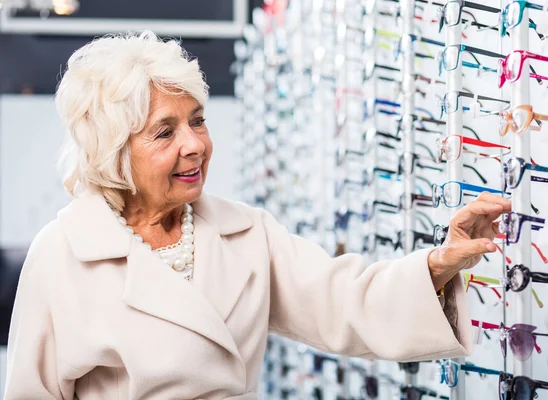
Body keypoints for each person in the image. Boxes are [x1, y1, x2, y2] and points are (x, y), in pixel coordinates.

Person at [4, 31, 510, 400]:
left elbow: (346, 302)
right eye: (165, 132)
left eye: (198, 121)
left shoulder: (245, 233)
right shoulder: (64, 253)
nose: (195, 145)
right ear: (114, 153)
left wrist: (440, 263)